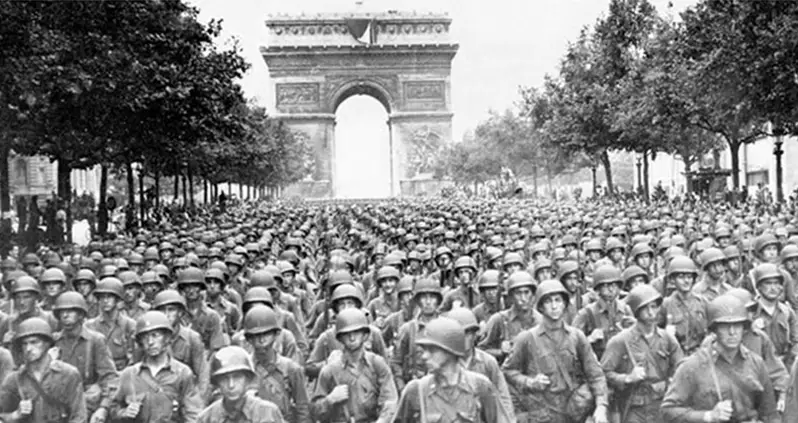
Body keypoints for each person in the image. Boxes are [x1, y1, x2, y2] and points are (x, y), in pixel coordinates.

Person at [503, 280, 609, 423]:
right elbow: (508, 372)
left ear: (564, 304)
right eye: (548, 301)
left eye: (558, 300)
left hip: (573, 412)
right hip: (541, 413)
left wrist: (601, 406)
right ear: (540, 307)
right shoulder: (526, 338)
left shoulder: (577, 337)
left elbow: (595, 375)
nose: (554, 306)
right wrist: (530, 382)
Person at [661, 295, 779, 423]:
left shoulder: (756, 363)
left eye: (737, 325)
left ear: (744, 328)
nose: (732, 332)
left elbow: (770, 413)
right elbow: (668, 411)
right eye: (725, 326)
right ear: (715, 329)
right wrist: (708, 416)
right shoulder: (693, 366)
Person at [392, 316, 513, 422]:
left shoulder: (480, 387)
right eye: (424, 349)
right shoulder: (415, 390)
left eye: (432, 350)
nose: (424, 356)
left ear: (450, 351)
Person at [601, 284, 683, 423]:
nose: (651, 312)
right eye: (645, 308)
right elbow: (603, 373)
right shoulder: (621, 341)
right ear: (636, 311)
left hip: (662, 405)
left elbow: (680, 367)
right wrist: (627, 378)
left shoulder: (667, 338)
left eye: (654, 307)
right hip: (634, 407)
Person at [111, 311, 204, 423]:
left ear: (167, 338)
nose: (150, 342)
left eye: (155, 336)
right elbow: (113, 409)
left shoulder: (182, 373)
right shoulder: (129, 374)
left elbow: (193, 414)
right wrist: (124, 413)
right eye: (145, 338)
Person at [312, 308, 397, 423]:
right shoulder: (329, 371)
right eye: (347, 334)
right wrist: (330, 399)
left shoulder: (377, 364)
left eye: (356, 332)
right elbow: (314, 411)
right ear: (340, 338)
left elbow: (390, 400)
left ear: (364, 335)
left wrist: (381, 421)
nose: (352, 338)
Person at [0, 317, 87, 423]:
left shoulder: (68, 374)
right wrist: (16, 415)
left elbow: (79, 417)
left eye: (34, 342)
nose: (28, 348)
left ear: (47, 343)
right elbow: (3, 416)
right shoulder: (14, 380)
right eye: (25, 344)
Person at [52, 291, 119, 422]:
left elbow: (109, 378)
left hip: (88, 404)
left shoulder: (95, 340)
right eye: (61, 312)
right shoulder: (53, 341)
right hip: (58, 405)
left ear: (81, 314)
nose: (65, 315)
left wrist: (103, 408)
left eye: (70, 311)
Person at [243, 305, 310, 423]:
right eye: (256, 335)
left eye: (266, 334)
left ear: (276, 334)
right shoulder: (244, 368)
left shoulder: (291, 369)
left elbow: (303, 409)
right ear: (249, 339)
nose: (262, 340)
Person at [198, 346, 285, 423]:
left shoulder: (267, 412)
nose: (231, 385)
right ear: (217, 383)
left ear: (248, 379)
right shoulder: (207, 418)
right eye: (224, 379)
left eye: (237, 377)